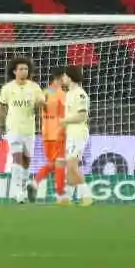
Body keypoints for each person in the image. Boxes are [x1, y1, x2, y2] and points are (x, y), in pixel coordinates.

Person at [0, 57, 45, 203]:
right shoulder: (7, 88)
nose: (24, 71)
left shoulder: (34, 87)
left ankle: (23, 187)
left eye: (26, 69)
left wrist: (40, 105)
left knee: (27, 161)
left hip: (29, 129)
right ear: (14, 71)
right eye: (21, 69)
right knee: (17, 157)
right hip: (13, 128)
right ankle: (18, 191)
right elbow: (2, 107)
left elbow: (40, 106)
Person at [57, 66, 92, 206]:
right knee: (70, 166)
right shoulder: (69, 94)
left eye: (64, 76)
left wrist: (63, 121)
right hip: (71, 133)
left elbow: (82, 115)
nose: (62, 78)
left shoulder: (79, 94)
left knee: (72, 165)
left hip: (78, 132)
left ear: (70, 77)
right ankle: (67, 197)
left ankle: (87, 195)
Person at [37, 70, 67, 201]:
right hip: (58, 133)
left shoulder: (44, 92)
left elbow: (40, 111)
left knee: (53, 164)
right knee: (59, 163)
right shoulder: (62, 94)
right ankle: (60, 194)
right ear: (60, 78)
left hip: (46, 133)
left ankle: (34, 183)